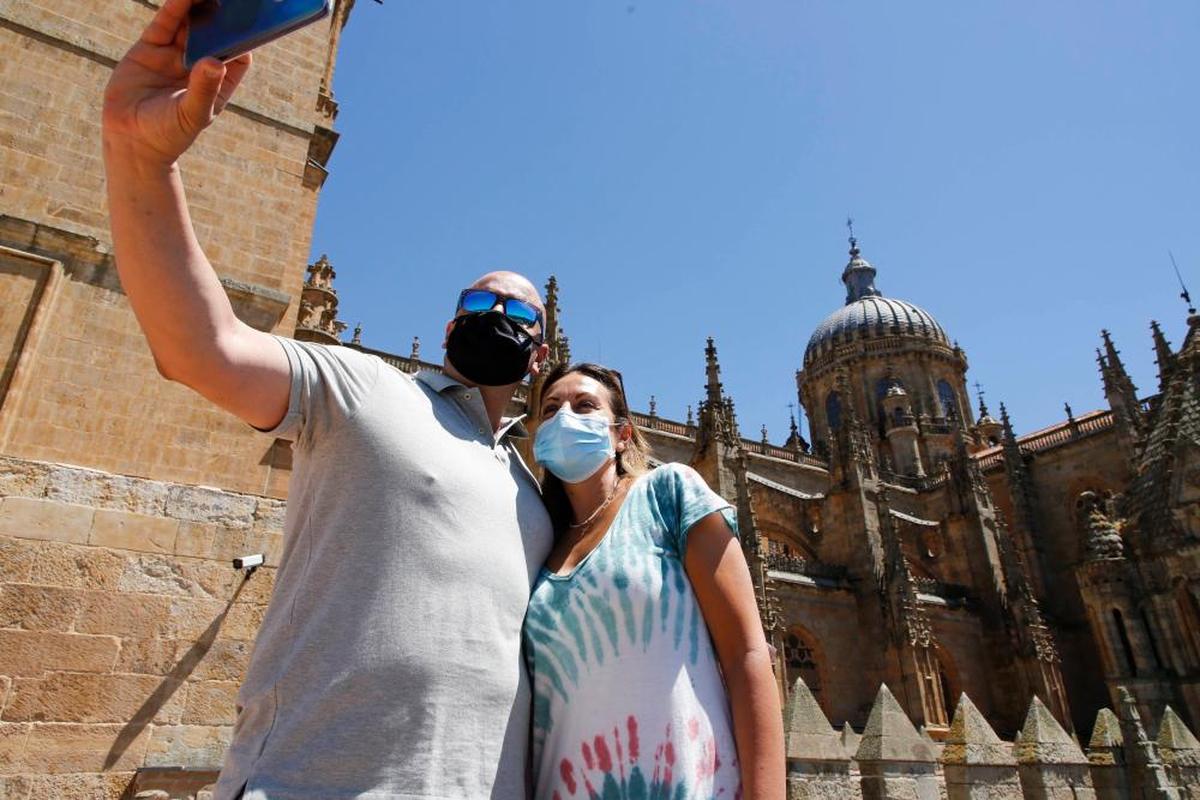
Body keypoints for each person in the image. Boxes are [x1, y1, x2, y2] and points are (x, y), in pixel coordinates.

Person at [101, 1, 554, 796]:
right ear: (447, 326)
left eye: (515, 314)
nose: (493, 318)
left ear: (543, 353)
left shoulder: (532, 488)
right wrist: (140, 161)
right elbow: (200, 347)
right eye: (477, 304)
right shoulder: (367, 390)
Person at [525, 363, 786, 799]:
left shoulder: (669, 491)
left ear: (622, 433)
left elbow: (748, 656)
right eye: (550, 410)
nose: (564, 416)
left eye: (584, 405)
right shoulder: (538, 536)